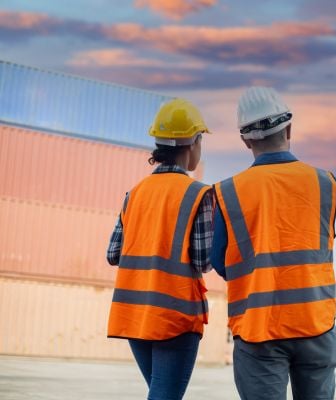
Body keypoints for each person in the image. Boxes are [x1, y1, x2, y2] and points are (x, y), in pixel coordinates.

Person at [211, 86, 336, 400]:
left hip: (258, 328)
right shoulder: (323, 181)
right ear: (289, 129)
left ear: (245, 140)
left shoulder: (228, 192)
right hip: (314, 324)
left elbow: (219, 261)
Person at [106, 98, 213, 400]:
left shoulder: (135, 193)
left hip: (134, 314)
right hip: (174, 317)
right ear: (194, 142)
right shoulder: (199, 194)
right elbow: (204, 260)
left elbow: (113, 253)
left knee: (160, 392)